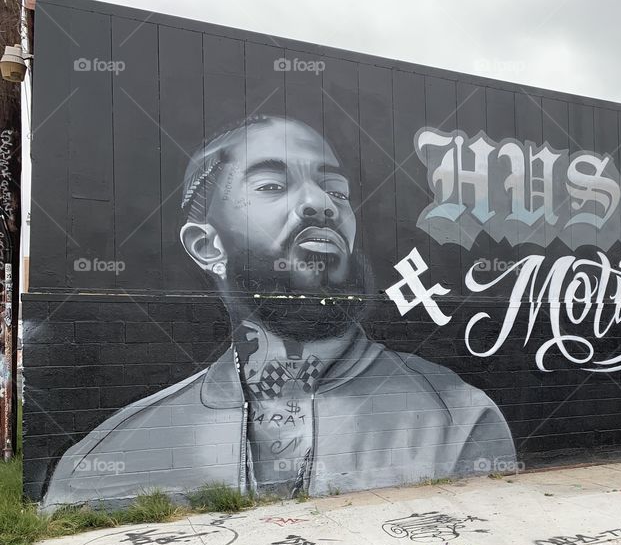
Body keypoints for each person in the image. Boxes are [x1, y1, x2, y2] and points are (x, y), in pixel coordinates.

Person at [42, 116, 515, 508]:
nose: (321, 204)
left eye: (337, 190)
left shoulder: (458, 421)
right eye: (272, 185)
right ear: (207, 246)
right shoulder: (102, 463)